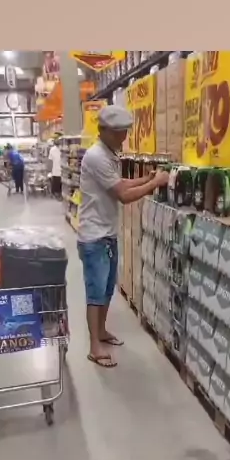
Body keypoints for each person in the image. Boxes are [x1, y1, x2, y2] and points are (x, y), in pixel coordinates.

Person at [77, 105, 169, 368]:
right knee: (95, 293)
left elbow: (120, 184)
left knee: (107, 289)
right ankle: (94, 346)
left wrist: (146, 178)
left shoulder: (108, 154)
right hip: (94, 237)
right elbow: (123, 195)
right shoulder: (97, 156)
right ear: (104, 131)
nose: (124, 137)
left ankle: (101, 331)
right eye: (119, 132)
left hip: (106, 234)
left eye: (125, 131)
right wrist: (154, 184)